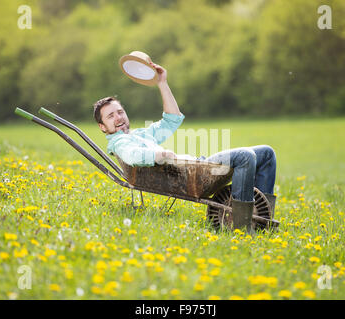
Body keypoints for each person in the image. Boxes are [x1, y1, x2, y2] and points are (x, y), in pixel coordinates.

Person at [93, 61, 277, 234]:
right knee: (245, 156)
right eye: (110, 116)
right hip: (192, 175)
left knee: (267, 153)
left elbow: (172, 119)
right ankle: (241, 226)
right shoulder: (120, 143)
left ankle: (261, 220)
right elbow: (132, 155)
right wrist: (159, 154)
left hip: (197, 167)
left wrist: (162, 83)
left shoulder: (140, 134)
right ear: (102, 127)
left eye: (120, 112)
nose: (118, 118)